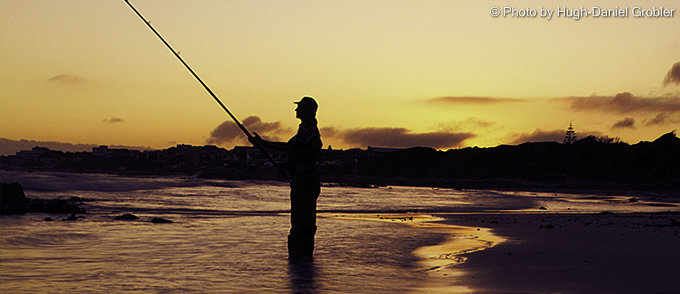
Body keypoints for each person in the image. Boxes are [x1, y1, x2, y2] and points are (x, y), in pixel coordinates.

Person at [249, 96, 322, 261]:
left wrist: (302, 167)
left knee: (300, 224)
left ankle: (298, 262)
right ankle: (304, 265)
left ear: (307, 111)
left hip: (304, 182)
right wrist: (262, 143)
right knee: (305, 224)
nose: (296, 110)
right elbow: (289, 147)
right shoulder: (304, 130)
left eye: (299, 107)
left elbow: (314, 149)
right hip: (304, 180)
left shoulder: (309, 131)